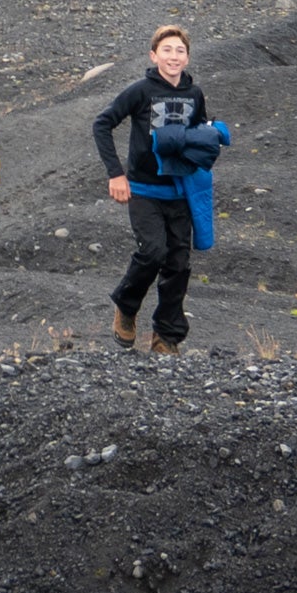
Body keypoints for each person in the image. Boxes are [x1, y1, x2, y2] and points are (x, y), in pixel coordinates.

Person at [90, 23, 220, 355]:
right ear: (153, 55)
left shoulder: (195, 94)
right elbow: (102, 123)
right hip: (144, 191)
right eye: (167, 49)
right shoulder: (140, 91)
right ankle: (127, 306)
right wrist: (116, 174)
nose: (173, 56)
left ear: (188, 58)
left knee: (178, 263)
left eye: (180, 50)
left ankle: (166, 337)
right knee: (152, 252)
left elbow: (200, 133)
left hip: (180, 192)